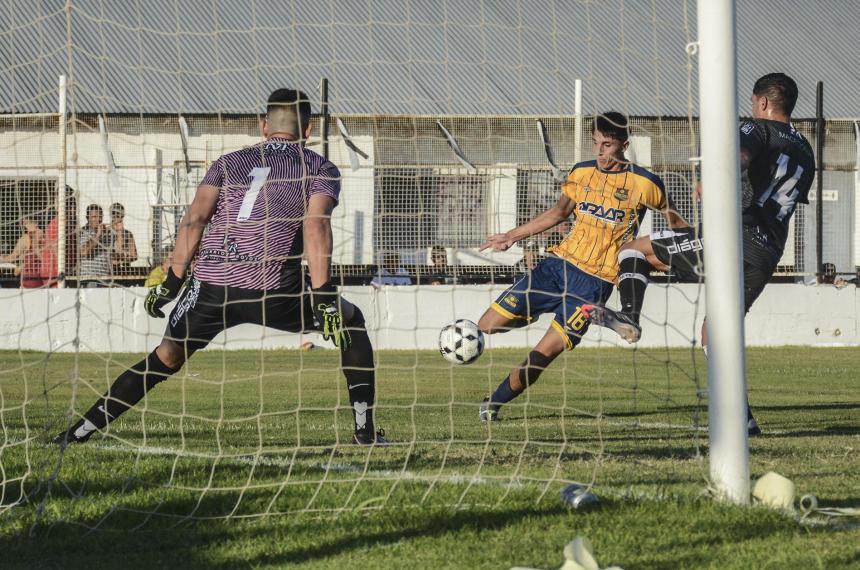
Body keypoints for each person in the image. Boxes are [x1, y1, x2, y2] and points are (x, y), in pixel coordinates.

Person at [55, 88, 386, 447]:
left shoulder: (228, 162)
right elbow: (316, 226)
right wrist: (323, 296)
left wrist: (171, 281)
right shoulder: (319, 167)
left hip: (212, 285)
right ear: (308, 130)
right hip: (273, 288)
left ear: (263, 126)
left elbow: (195, 219)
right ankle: (364, 433)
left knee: (164, 358)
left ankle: (77, 434)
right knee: (351, 322)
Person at [586, 73, 815, 436]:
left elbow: (740, 155)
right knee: (714, 330)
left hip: (732, 241)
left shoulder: (756, 128)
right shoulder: (806, 150)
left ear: (764, 103)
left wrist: (716, 178)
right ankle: (744, 419)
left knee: (633, 249)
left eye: (754, 102)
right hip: (766, 254)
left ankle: (629, 315)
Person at [477, 112, 682, 422]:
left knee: (543, 355)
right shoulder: (582, 172)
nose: (599, 152)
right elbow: (558, 213)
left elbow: (678, 226)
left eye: (607, 145)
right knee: (487, 325)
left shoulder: (646, 183)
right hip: (557, 267)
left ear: (624, 145)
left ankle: (492, 404)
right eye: (595, 143)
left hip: (595, 283)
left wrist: (678, 258)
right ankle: (533, 313)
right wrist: (510, 236)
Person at [42, 190, 78, 288]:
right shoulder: (58, 223)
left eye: (74, 206)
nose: (73, 210)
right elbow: (55, 247)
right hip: (56, 275)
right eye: (70, 206)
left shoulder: (70, 225)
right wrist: (64, 270)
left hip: (63, 273)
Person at [1, 215, 44, 288]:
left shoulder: (26, 238)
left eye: (25, 223)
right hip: (42, 276)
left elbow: (15, 255)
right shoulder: (43, 235)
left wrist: (3, 260)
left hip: (29, 277)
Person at [78, 204, 115, 287]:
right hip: (89, 279)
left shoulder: (109, 233)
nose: (98, 220)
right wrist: (98, 235)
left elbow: (115, 257)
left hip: (105, 279)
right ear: (87, 218)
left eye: (100, 216)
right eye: (94, 217)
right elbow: (84, 252)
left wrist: (118, 231)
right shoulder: (82, 232)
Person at [110, 202, 138, 278]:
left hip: (125, 271)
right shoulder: (105, 233)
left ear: (123, 216)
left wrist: (123, 257)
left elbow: (134, 256)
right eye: (114, 214)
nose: (116, 217)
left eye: (119, 214)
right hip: (109, 271)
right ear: (111, 215)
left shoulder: (128, 234)